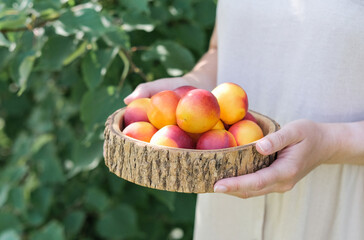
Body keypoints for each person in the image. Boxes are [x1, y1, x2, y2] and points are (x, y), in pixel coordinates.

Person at [124, 1, 364, 239]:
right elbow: (222, 47)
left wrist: (331, 142)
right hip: (226, 196)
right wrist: (194, 88)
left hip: (330, 202)